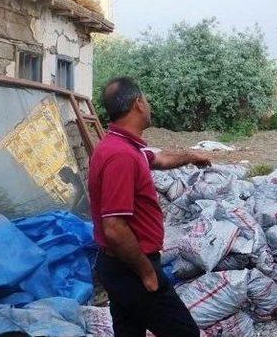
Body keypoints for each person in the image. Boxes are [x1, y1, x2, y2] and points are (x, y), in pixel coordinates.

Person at [89, 77, 210, 337]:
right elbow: (114, 228)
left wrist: (192, 156)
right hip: (131, 268)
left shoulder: (123, 146)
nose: (149, 104)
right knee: (184, 332)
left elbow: (161, 159)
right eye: (146, 99)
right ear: (137, 104)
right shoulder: (121, 156)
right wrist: (147, 273)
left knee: (129, 331)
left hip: (118, 266)